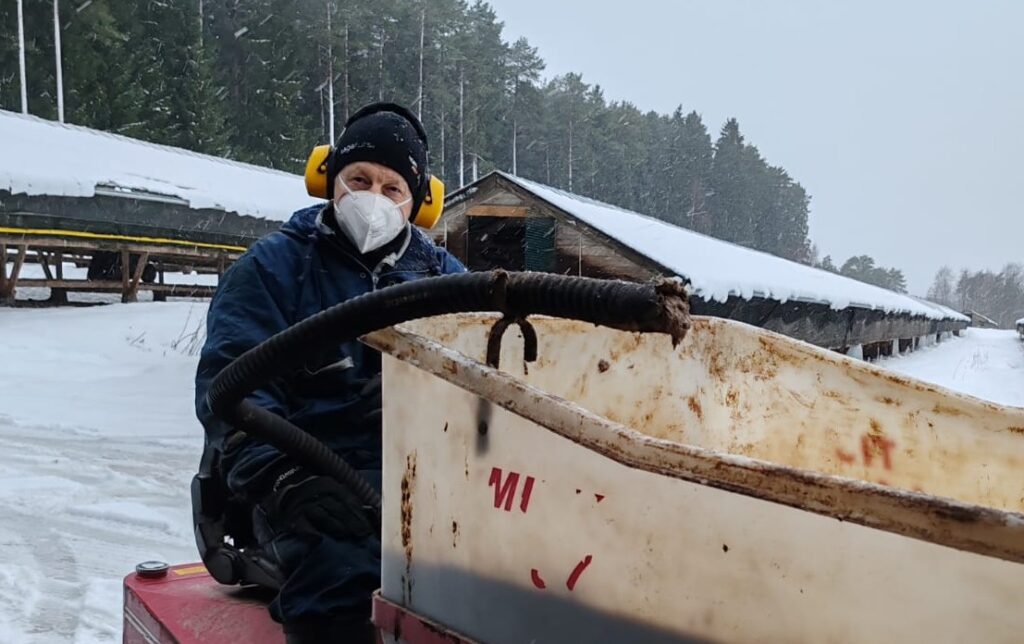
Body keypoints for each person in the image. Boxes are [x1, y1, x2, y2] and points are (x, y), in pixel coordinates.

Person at [194, 102, 466, 642]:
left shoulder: (448, 281)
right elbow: (231, 391)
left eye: (392, 188)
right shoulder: (273, 268)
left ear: (419, 204)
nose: (373, 199)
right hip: (300, 483)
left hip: (419, 477)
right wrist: (285, 480)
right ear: (327, 179)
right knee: (349, 569)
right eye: (358, 179)